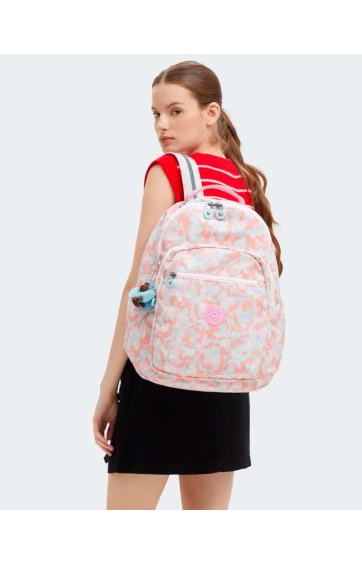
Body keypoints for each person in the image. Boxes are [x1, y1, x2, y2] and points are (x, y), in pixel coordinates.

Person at [92, 60, 283, 509]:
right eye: (156, 114)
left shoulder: (170, 170)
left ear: (211, 112)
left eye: (175, 111)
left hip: (158, 373)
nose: (162, 125)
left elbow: (139, 287)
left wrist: (107, 387)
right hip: (225, 381)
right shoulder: (243, 181)